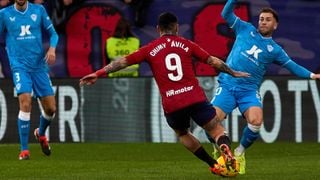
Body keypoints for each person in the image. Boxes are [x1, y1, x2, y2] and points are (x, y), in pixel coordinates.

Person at [80, 12, 250, 177]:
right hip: (194, 97)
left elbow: (122, 62)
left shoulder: (149, 49)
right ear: (176, 27)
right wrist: (232, 72)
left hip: (172, 103)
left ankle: (213, 164)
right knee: (216, 130)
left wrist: (98, 73)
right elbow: (213, 60)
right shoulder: (187, 44)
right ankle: (226, 152)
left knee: (183, 133)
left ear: (158, 29)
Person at [207, 0, 320, 175]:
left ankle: (239, 153)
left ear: (275, 25)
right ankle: (219, 148)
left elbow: (291, 65)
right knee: (211, 121)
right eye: (261, 19)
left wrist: (312, 75)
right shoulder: (245, 28)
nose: (263, 22)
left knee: (256, 121)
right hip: (228, 85)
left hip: (249, 91)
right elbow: (226, 15)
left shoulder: (275, 50)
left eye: (267, 19)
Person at [0, 0, 59, 160]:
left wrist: (52, 49)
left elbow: (53, 33)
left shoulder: (38, 10)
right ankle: (24, 150)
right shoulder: (4, 14)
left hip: (39, 67)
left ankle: (40, 133)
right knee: (25, 102)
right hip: (19, 66)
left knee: (51, 109)